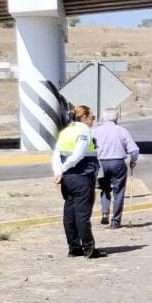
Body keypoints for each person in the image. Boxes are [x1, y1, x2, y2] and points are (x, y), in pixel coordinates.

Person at [51, 105, 105, 258]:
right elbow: (77, 156)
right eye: (92, 117)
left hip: (67, 179)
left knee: (69, 212)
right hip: (81, 177)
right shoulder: (84, 131)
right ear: (84, 117)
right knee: (82, 214)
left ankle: (74, 247)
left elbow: (56, 154)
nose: (93, 120)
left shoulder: (66, 131)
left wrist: (58, 171)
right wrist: (63, 169)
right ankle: (89, 248)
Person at [93, 108, 140, 228]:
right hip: (118, 163)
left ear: (103, 118)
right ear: (116, 118)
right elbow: (134, 149)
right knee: (118, 192)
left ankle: (104, 212)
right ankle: (116, 221)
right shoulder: (122, 131)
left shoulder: (95, 131)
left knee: (104, 189)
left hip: (101, 163)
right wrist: (133, 161)